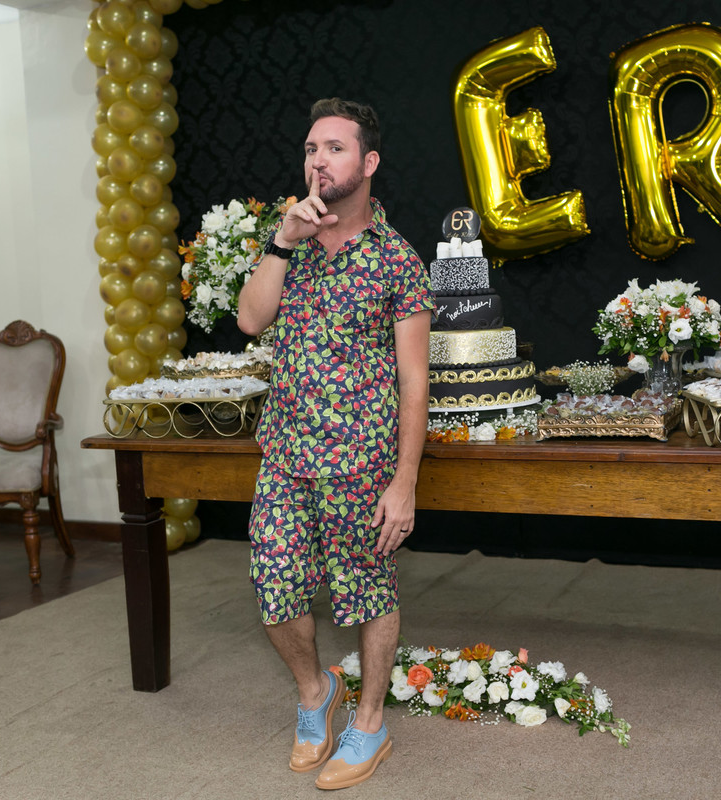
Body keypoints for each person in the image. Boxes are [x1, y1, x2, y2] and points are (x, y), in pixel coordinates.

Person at [237, 97, 433, 790]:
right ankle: (316, 691)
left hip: (361, 459)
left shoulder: (397, 260)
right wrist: (281, 241)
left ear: (369, 162)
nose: (318, 160)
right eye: (311, 148)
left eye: (335, 148)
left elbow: (415, 383)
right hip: (286, 456)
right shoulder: (288, 241)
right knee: (275, 587)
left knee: (368, 592)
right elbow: (250, 321)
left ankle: (370, 722)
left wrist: (404, 483)